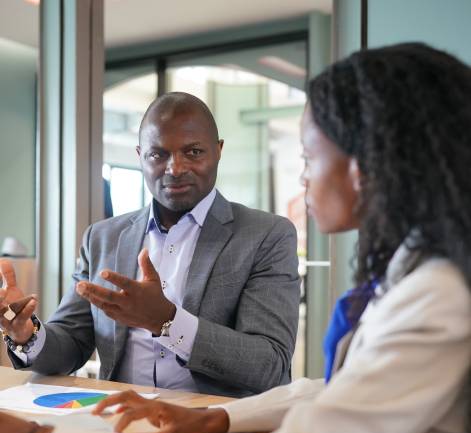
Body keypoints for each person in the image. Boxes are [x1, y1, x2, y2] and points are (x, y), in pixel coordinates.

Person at [1, 42, 471, 433]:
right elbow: (337, 389)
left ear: (364, 165)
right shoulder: (416, 280)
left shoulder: (434, 303)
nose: (303, 179)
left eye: (309, 157)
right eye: (159, 154)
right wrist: (219, 417)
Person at [0, 92, 300, 397]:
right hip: (118, 421)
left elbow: (270, 365)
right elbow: (72, 343)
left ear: (218, 150)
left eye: (193, 152)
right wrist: (26, 334)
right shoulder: (104, 237)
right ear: (140, 156)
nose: (175, 168)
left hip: (214, 426)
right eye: (158, 155)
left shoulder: (266, 235)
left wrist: (167, 321)